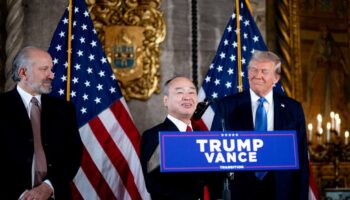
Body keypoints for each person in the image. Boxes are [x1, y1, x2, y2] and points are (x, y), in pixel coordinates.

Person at [211, 50, 309, 200]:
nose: (258, 75)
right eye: (253, 70)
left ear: (275, 78)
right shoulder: (227, 106)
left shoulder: (292, 109)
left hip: (282, 189)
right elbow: (215, 152)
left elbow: (301, 157)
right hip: (239, 189)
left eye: (264, 71)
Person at [0, 46, 83, 199]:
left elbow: (73, 154)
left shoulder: (65, 109)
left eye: (51, 69)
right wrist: (21, 194)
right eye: (44, 69)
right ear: (23, 73)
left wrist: (49, 186)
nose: (51, 75)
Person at [140, 76, 207, 200]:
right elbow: (153, 184)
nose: (187, 97)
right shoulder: (154, 136)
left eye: (192, 92)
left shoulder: (203, 135)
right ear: (166, 101)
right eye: (180, 92)